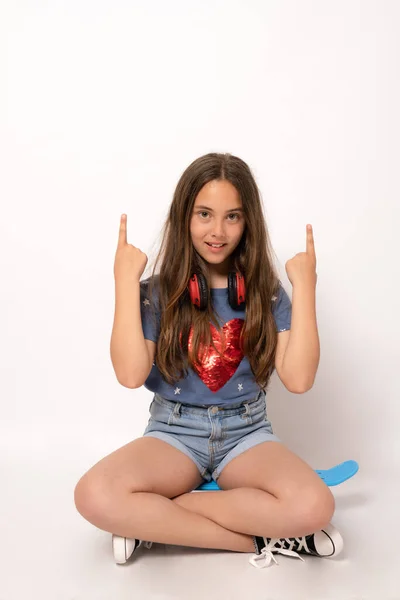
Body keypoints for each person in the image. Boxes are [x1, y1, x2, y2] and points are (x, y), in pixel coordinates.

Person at [74, 152, 343, 569]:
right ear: (184, 216)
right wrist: (125, 283)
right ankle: (260, 540)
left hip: (246, 431)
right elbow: (130, 374)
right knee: (92, 494)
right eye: (204, 214)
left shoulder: (264, 292)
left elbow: (299, 379)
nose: (218, 231)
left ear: (247, 221)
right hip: (173, 432)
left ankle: (157, 518)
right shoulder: (157, 294)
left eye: (232, 217)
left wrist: (305, 286)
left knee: (315, 506)